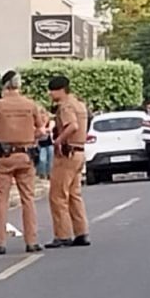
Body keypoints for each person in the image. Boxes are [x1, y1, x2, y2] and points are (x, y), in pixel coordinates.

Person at [0, 70, 45, 255]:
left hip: (4, 158)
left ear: (4, 85)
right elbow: (40, 130)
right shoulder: (30, 105)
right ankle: (31, 241)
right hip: (25, 156)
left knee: (1, 200)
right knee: (28, 199)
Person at [46, 74, 90, 248]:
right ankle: (81, 232)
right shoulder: (80, 104)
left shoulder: (66, 106)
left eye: (52, 91)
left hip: (67, 153)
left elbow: (72, 126)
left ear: (61, 90)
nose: (50, 94)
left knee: (57, 196)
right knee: (74, 195)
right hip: (79, 152)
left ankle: (62, 235)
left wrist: (58, 140)